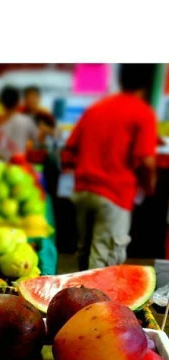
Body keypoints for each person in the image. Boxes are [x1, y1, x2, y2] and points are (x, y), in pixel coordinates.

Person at [62, 64, 158, 270]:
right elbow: (146, 161)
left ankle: (80, 300)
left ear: (121, 79)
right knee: (103, 259)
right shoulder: (143, 113)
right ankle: (97, 302)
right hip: (114, 194)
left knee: (84, 253)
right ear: (147, 84)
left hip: (82, 191)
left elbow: (69, 150)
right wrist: (149, 187)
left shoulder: (96, 108)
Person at [0, 86, 39, 160]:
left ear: (1, 102)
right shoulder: (26, 121)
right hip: (18, 164)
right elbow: (38, 140)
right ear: (18, 102)